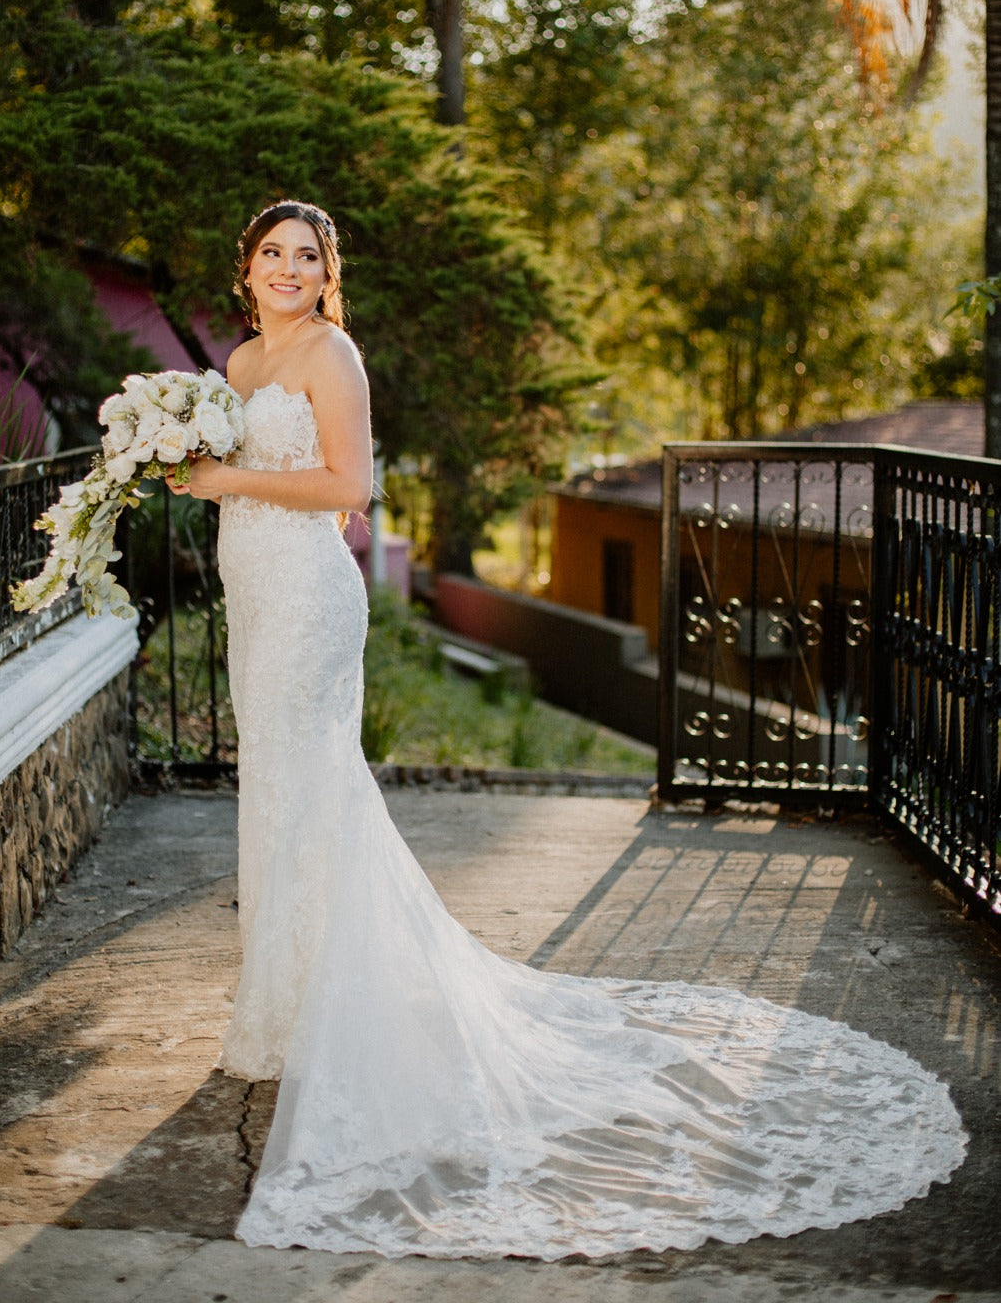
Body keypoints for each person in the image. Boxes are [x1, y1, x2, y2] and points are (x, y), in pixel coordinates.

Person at [166, 198, 966, 1260]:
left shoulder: (332, 353)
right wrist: (185, 464)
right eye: (271, 252)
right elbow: (243, 472)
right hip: (253, 592)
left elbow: (348, 487)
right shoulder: (239, 358)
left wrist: (228, 478)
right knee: (273, 792)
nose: (287, 268)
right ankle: (280, 1006)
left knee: (316, 790)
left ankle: (343, 1015)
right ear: (245, 267)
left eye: (305, 256)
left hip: (309, 600)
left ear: (326, 274)